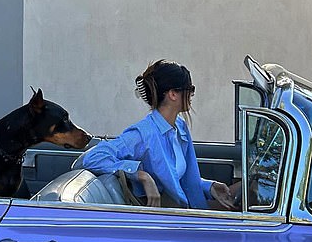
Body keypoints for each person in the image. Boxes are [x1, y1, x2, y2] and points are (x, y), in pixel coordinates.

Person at [80, 60, 235, 209]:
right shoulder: (143, 134)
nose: (192, 94)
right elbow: (92, 158)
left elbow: (178, 178)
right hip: (164, 219)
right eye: (190, 89)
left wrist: (209, 186)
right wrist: (140, 174)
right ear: (173, 94)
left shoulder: (180, 127)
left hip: (184, 213)